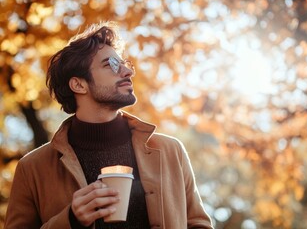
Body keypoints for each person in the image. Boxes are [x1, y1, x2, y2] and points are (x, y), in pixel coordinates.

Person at [4, 21, 213, 229]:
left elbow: (199, 224)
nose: (127, 72)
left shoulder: (170, 150)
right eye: (110, 65)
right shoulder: (32, 168)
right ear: (78, 84)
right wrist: (71, 220)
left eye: (124, 64)